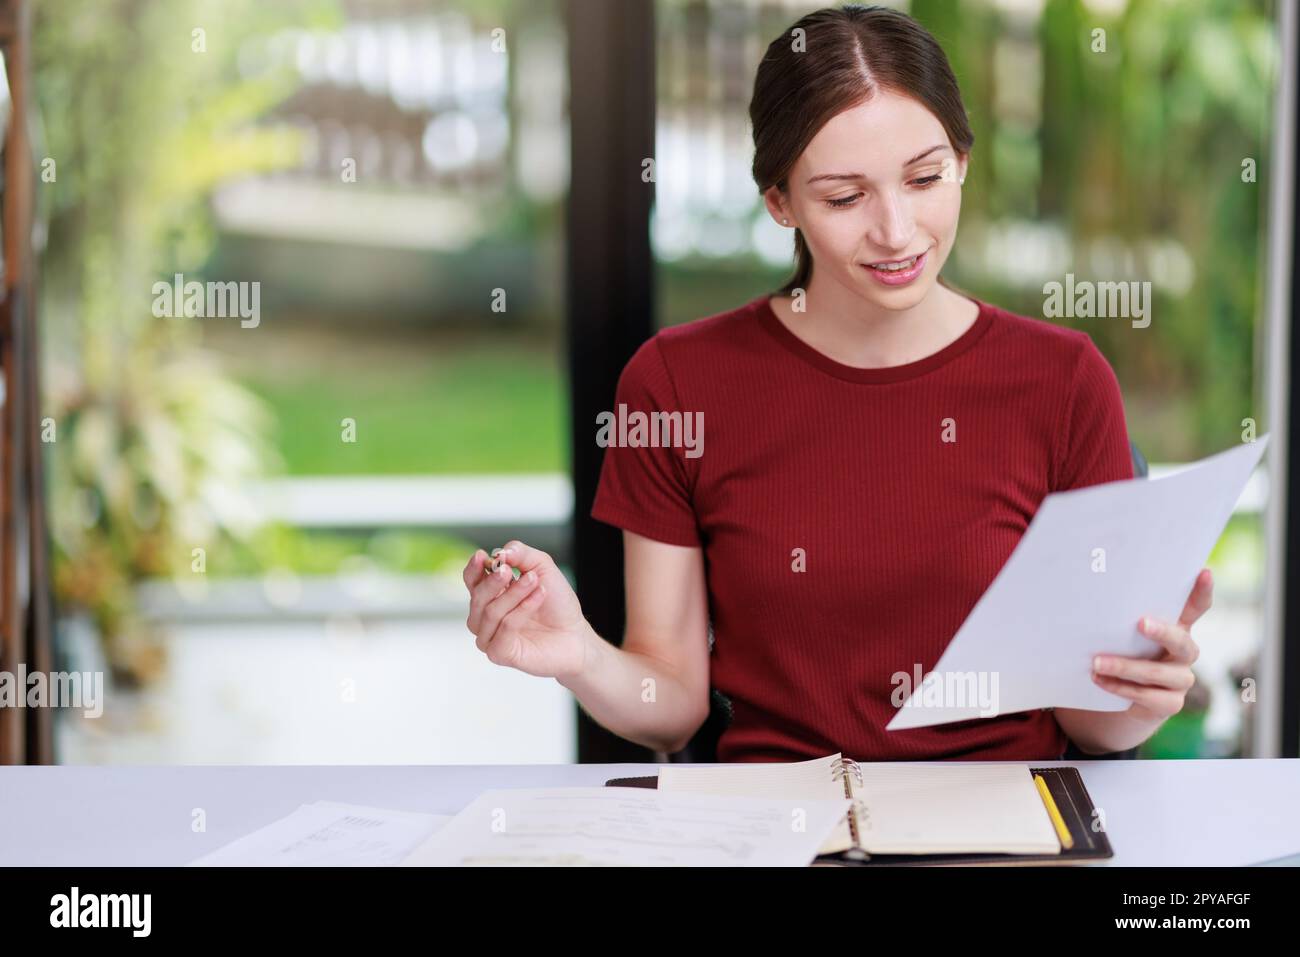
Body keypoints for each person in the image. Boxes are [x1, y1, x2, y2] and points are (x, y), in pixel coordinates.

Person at [461, 3, 1209, 762]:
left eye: (925, 178)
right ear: (780, 202)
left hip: (1002, 810)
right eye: (845, 198)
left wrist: (1143, 691)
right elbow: (674, 705)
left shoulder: (1064, 380)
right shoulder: (676, 385)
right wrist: (581, 655)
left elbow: (1092, 723)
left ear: (963, 161)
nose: (896, 231)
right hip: (779, 813)